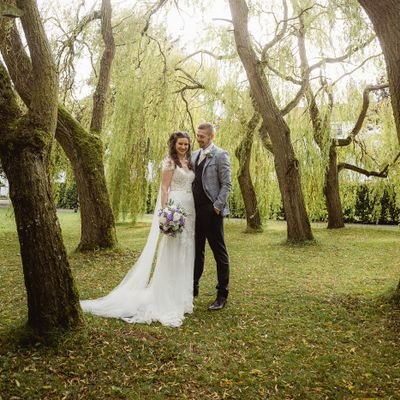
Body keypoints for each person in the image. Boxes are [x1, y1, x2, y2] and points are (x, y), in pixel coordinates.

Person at [80, 131, 195, 327]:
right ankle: (166, 298)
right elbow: (165, 188)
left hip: (190, 210)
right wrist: (167, 211)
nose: (183, 147)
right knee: (172, 251)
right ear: (174, 145)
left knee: (186, 251)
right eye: (180, 144)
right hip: (176, 207)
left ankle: (182, 298)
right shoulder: (169, 162)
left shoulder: (190, 163)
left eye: (186, 144)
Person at [191, 122, 231, 311]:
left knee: (219, 253)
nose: (198, 138)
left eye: (202, 136)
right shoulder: (194, 155)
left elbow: (227, 184)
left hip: (211, 212)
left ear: (211, 137)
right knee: (196, 251)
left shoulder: (220, 155)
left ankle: (222, 294)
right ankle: (193, 289)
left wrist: (216, 207)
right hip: (195, 212)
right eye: (197, 135)